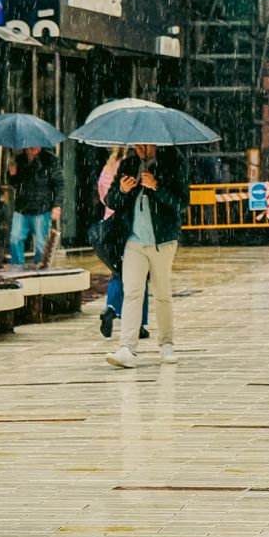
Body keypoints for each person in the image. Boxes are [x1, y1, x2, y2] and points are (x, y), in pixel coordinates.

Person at [105, 144, 189, 369]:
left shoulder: (173, 163)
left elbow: (182, 203)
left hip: (163, 241)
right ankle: (127, 348)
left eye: (145, 144)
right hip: (134, 241)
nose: (140, 148)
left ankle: (166, 344)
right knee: (132, 291)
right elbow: (111, 201)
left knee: (162, 293)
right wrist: (121, 191)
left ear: (157, 143)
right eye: (137, 144)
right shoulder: (129, 164)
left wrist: (156, 186)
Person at [96, 147, 148, 340]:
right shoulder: (130, 166)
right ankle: (138, 322)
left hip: (111, 224)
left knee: (118, 271)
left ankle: (111, 307)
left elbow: (103, 194)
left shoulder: (109, 166)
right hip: (128, 225)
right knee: (139, 276)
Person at [7, 145, 62, 265]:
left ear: (39, 147)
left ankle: (41, 269)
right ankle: (17, 268)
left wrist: (57, 205)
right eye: (27, 148)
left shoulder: (50, 160)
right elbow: (16, 184)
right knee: (15, 238)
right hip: (22, 207)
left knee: (41, 244)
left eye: (32, 148)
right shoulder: (20, 159)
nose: (29, 151)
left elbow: (59, 184)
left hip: (42, 207)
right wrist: (12, 175)